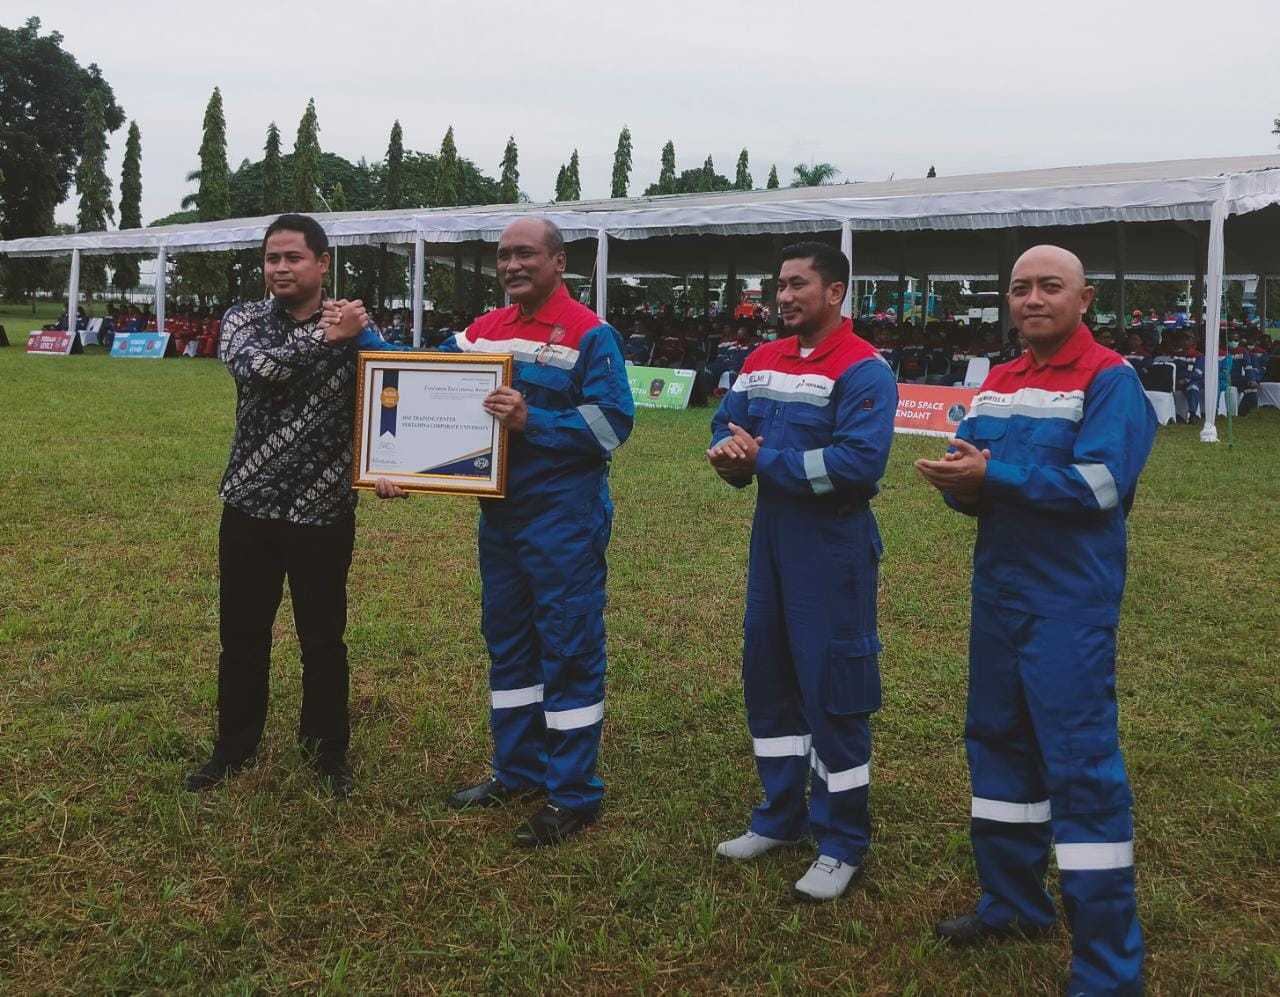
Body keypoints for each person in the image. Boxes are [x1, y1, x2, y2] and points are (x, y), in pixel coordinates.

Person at [915, 245, 1155, 995]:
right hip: (1000, 594)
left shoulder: (1111, 380)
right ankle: (1014, 903)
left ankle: (1109, 967)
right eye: (1020, 288)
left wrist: (996, 476)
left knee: (1079, 766)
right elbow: (978, 475)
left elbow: (1102, 484)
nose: (1032, 298)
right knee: (997, 746)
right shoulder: (998, 380)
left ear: (1085, 300)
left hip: (1068, 602)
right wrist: (961, 481)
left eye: (1051, 286)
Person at [376, 217, 634, 847]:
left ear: (558, 261)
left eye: (525, 254)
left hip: (563, 516)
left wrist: (533, 420)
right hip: (500, 516)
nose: (512, 265)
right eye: (503, 256)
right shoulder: (482, 332)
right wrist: (395, 462)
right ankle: (518, 771)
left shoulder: (590, 336)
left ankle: (574, 794)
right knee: (510, 643)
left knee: (568, 647)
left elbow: (612, 426)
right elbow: (418, 385)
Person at [707, 241, 897, 901]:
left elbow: (856, 464)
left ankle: (841, 839)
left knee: (833, 689)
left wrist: (764, 462)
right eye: (780, 284)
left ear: (837, 291)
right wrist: (728, 456)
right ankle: (781, 815)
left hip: (834, 544)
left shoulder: (865, 369)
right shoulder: (759, 361)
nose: (784, 296)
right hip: (773, 540)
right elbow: (725, 425)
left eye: (798, 284)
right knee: (770, 677)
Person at [185, 213, 399, 799]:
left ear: (323, 263)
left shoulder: (356, 327)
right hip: (249, 505)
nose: (280, 269)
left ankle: (327, 751)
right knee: (243, 635)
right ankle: (233, 747)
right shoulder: (244, 319)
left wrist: (392, 466)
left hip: (323, 509)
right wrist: (326, 337)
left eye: (293, 258)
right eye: (272, 259)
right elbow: (257, 368)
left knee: (324, 638)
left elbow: (390, 392)